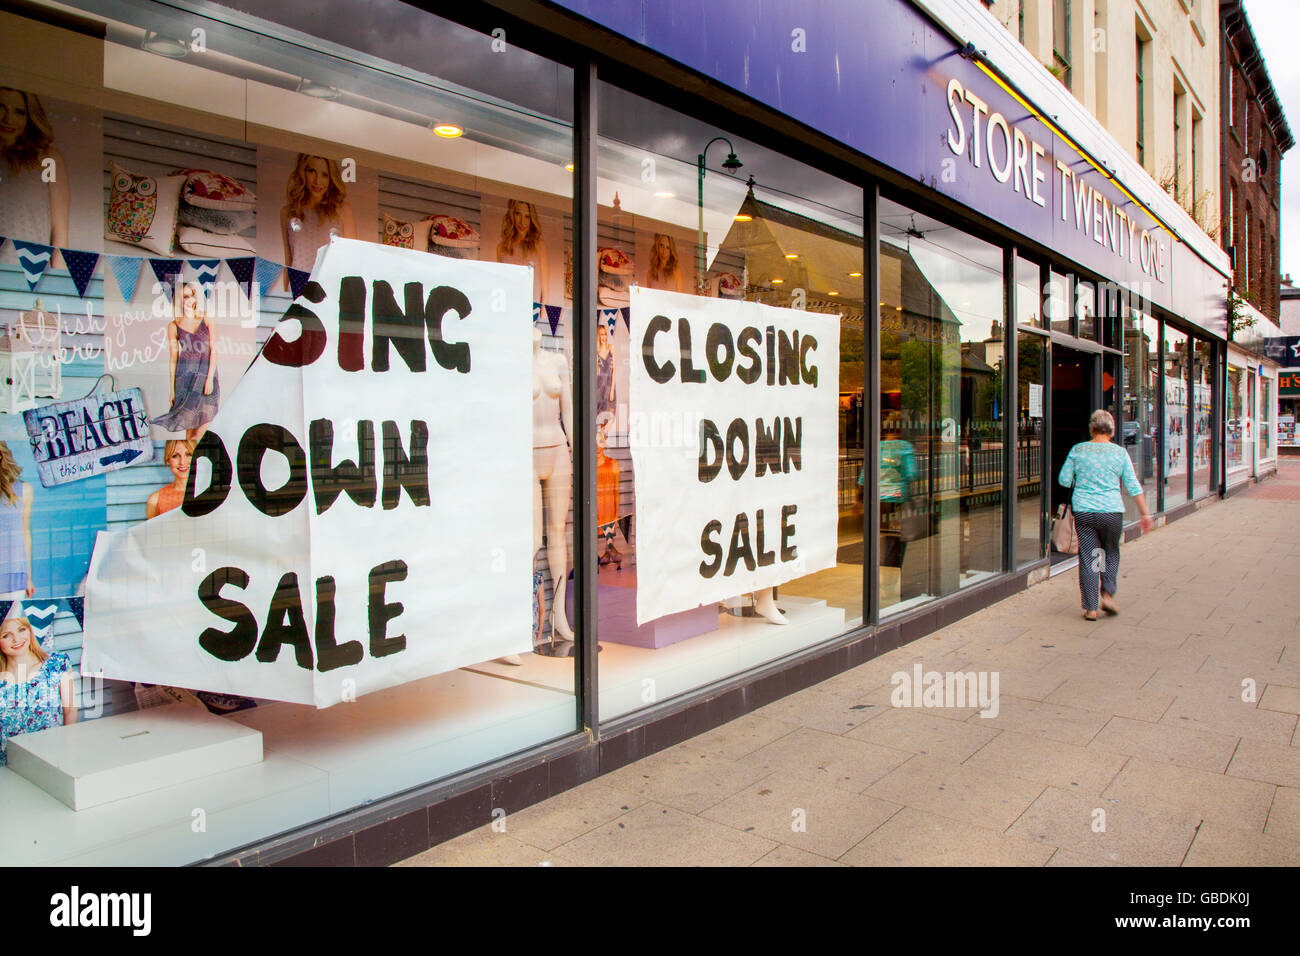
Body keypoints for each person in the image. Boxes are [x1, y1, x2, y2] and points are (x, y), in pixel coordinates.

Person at [1058, 409, 1154, 621]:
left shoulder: (1078, 450)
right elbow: (1133, 485)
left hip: (1085, 512)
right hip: (1111, 512)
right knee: (1110, 552)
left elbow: (1064, 480)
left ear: (1092, 428)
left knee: (1091, 556)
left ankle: (1091, 607)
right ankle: (1108, 596)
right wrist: (1146, 514)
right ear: (1112, 431)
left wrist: (1081, 479)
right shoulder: (1119, 453)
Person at [0, 88, 69, 258]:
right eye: (2, 107)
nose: (8, 119)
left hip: (29, 272)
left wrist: (58, 279)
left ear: (30, 117)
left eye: (19, 112)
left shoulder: (47, 159)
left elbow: (59, 232)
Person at [0, 613, 76, 766]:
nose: (16, 639)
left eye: (21, 629)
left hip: (52, 759)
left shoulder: (56, 664)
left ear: (30, 630)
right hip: (8, 765)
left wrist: (68, 752)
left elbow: (70, 711)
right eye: (6, 635)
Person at [152, 281, 219, 441]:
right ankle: (192, 465)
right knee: (189, 430)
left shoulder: (206, 317)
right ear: (179, 301)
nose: (190, 300)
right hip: (185, 379)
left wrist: (209, 379)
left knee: (204, 427)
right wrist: (172, 389)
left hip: (206, 377)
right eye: (185, 297)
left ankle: (200, 463)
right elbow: (173, 358)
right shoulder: (174, 325)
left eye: (192, 295)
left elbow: (215, 350)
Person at [280, 153, 357, 277]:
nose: (317, 181)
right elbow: (289, 261)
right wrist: (285, 295)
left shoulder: (342, 210)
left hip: (330, 289)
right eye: (312, 171)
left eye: (324, 175)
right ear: (303, 172)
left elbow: (352, 261)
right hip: (297, 289)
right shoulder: (288, 212)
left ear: (331, 178)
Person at [496, 198, 549, 305]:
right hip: (508, 307)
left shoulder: (539, 245)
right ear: (512, 216)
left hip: (532, 310)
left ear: (531, 219)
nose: (522, 222)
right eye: (518, 214)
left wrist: (542, 319)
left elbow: (545, 291)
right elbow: (500, 286)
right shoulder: (502, 248)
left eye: (527, 216)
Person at [0, 441, 35, 600]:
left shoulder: (23, 490)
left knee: (10, 624)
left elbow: (25, 535)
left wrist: (28, 576)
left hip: (13, 574)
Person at [145, 439, 195, 519]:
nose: (182, 462)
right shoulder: (155, 500)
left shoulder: (210, 494)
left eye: (188, 454)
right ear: (168, 459)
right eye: (175, 456)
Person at [596, 317, 616, 418]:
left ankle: (603, 433)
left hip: (609, 385)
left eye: (604, 334)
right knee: (599, 414)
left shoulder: (611, 348)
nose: (603, 337)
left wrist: (612, 389)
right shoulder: (597, 351)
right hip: (599, 385)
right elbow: (596, 372)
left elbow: (614, 371)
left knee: (609, 414)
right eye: (601, 335)